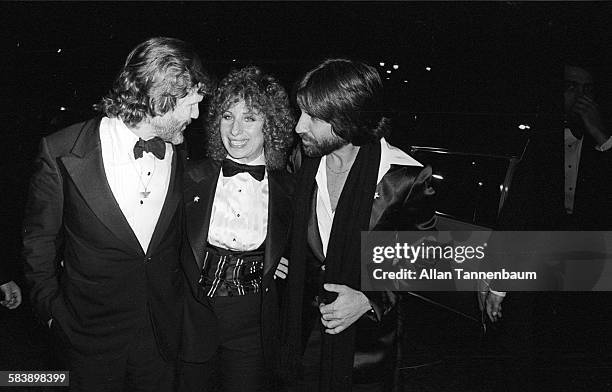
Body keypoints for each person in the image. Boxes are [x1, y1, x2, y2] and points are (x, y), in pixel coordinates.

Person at [22, 37, 211, 391]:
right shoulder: (62, 150)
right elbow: (39, 242)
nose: (197, 115)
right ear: (160, 99)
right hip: (87, 340)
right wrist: (51, 313)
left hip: (160, 338)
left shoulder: (180, 151)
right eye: (192, 104)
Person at [280, 58, 436, 392]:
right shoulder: (302, 159)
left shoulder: (404, 177)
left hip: (362, 350)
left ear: (346, 119)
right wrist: (277, 254)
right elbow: (290, 224)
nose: (299, 127)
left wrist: (369, 300)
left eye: (312, 117)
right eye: (300, 113)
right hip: (300, 334)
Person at [179, 66, 295, 392]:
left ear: (270, 125)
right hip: (193, 314)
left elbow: (312, 248)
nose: (235, 130)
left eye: (250, 118)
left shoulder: (291, 188)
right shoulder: (191, 175)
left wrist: (278, 260)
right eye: (228, 116)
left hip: (252, 321)